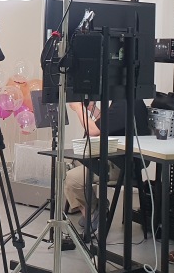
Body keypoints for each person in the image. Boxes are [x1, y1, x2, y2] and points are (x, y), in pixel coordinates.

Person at [63, 97, 149, 234]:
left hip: (121, 164)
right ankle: (93, 209)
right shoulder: (126, 99)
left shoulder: (124, 103)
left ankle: (93, 212)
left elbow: (93, 131)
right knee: (71, 163)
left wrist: (78, 108)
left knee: (71, 178)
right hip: (118, 156)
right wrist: (92, 109)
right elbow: (109, 122)